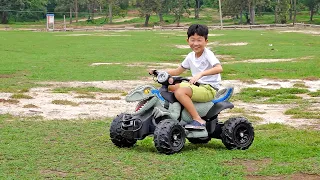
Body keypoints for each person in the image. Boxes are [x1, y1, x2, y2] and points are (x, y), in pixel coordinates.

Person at [150, 24, 223, 129]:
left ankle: (197, 119)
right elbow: (177, 71)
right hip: (196, 85)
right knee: (169, 87)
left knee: (180, 92)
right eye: (192, 40)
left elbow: (219, 68)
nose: (196, 43)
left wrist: (201, 74)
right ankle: (174, 115)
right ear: (187, 41)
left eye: (199, 40)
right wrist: (159, 71)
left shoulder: (208, 54)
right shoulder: (190, 56)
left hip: (209, 88)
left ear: (206, 41)